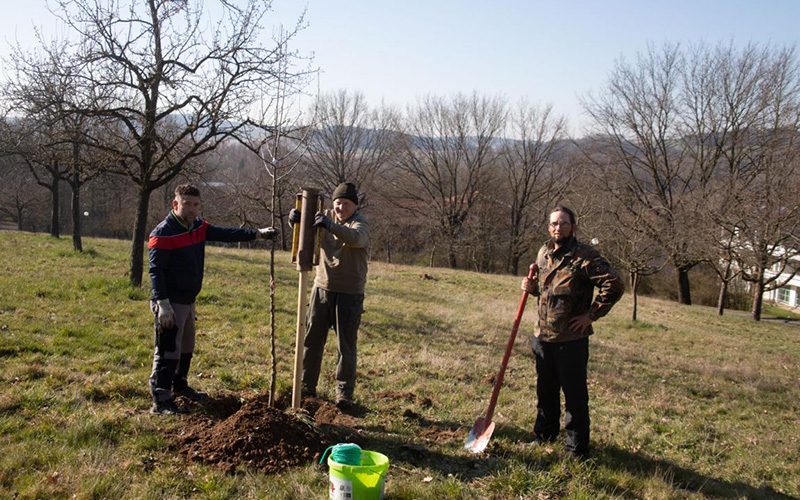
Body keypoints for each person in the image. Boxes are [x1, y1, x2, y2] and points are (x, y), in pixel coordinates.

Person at [148, 184, 278, 415]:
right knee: (168, 349)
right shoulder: (163, 233)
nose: (192, 209)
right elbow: (156, 271)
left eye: (196, 204)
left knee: (186, 346)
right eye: (187, 204)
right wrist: (162, 304)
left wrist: (257, 233)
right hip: (170, 300)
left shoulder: (198, 227)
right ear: (175, 204)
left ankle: (180, 385)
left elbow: (225, 233)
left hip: (188, 299)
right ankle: (161, 398)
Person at [521, 205, 624, 456]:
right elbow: (545, 290)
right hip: (543, 336)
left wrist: (591, 315)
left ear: (573, 227)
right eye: (554, 223)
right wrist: (531, 287)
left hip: (571, 341)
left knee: (574, 397)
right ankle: (544, 435)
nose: (558, 228)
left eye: (563, 223)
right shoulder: (543, 253)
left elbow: (615, 283)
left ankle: (576, 449)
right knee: (545, 392)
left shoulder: (584, 256)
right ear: (549, 226)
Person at [288, 182, 370, 410]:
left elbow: (355, 238)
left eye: (346, 204)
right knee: (312, 340)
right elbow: (304, 231)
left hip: (349, 293)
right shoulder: (323, 215)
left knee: (346, 345)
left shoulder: (360, 224)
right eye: (338, 203)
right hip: (322, 287)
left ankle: (343, 395)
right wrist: (296, 218)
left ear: (355, 206)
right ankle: (306, 386)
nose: (341, 207)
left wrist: (329, 225)